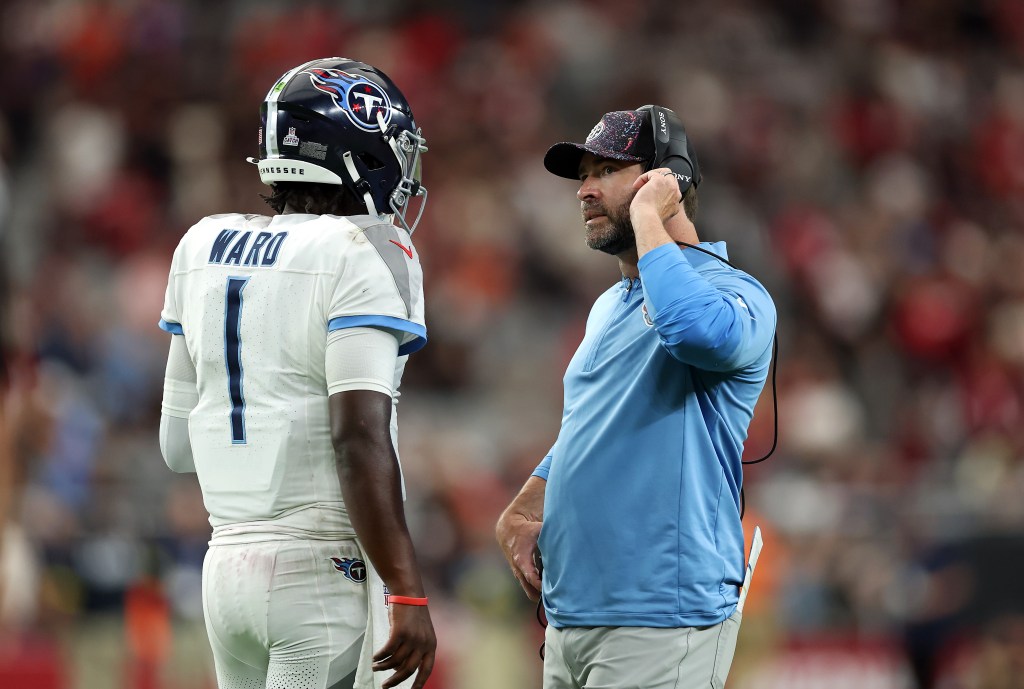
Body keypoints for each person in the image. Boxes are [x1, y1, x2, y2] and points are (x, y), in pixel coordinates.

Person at [157, 57, 435, 689]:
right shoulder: (362, 251)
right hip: (320, 574)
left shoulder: (200, 245)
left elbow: (177, 447)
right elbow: (357, 438)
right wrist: (408, 590)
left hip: (222, 569)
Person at [496, 107, 776, 688]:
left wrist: (650, 212)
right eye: (583, 175)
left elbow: (691, 331)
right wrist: (529, 501)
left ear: (668, 179)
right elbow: (593, 421)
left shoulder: (735, 294)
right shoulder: (609, 304)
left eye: (605, 171)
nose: (584, 190)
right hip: (574, 616)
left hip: (662, 616)